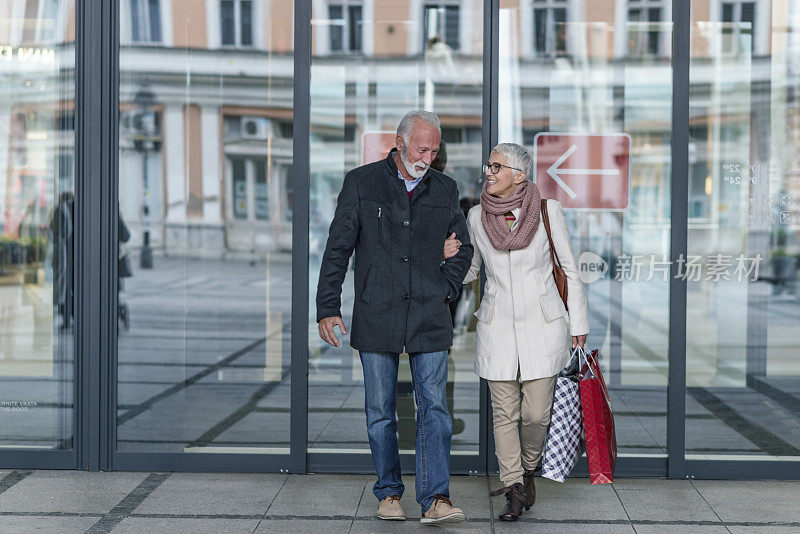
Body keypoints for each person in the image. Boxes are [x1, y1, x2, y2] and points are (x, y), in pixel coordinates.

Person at [316, 110, 473, 524]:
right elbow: (338, 249)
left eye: (435, 149)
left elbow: (464, 250)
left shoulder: (444, 188)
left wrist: (445, 287)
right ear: (399, 142)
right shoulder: (362, 182)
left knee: (435, 408)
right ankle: (388, 492)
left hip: (428, 314)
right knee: (380, 410)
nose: (429, 156)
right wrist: (327, 307)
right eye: (422, 148)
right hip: (376, 310)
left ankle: (436, 497)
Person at [446, 143, 589, 521]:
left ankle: (527, 471)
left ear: (520, 175)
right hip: (497, 326)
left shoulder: (547, 211)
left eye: (497, 166)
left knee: (537, 415)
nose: (488, 171)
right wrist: (445, 257)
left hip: (544, 325)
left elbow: (569, 270)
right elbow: (473, 270)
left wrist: (580, 324)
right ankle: (514, 488)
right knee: (503, 414)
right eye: (488, 165)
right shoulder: (476, 216)